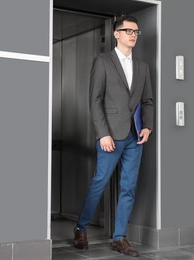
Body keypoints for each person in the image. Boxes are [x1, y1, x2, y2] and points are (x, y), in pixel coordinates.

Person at [73, 15, 154, 257]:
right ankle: (80, 228)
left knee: (128, 187)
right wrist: (102, 134)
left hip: (135, 136)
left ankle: (119, 238)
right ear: (116, 34)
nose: (133, 35)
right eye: (128, 30)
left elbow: (147, 100)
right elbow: (95, 100)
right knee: (99, 182)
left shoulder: (143, 67)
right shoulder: (103, 61)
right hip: (110, 136)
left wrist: (148, 127)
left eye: (136, 32)